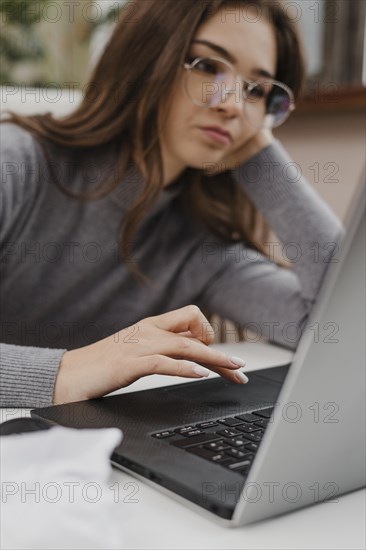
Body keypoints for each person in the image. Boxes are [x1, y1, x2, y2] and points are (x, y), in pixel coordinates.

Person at [0, 0, 344, 408]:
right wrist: (66, 371)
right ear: (145, 59)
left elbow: (339, 329)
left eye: (257, 90)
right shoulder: (16, 165)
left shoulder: (199, 247)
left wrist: (261, 159)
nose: (232, 104)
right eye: (206, 65)